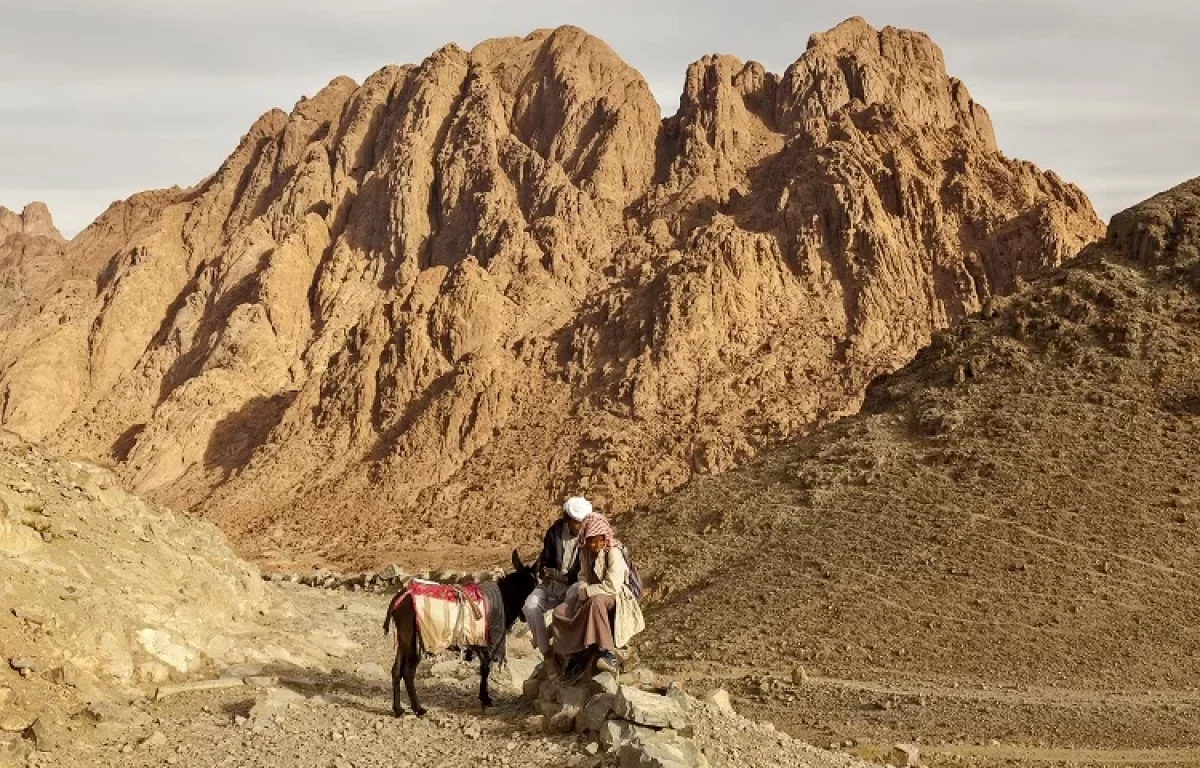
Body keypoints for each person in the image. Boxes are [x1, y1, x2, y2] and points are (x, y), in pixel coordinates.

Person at [550, 512, 645, 674]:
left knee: (596, 602)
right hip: (592, 592)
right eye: (592, 542)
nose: (596, 545)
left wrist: (587, 592)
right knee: (560, 612)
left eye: (599, 540)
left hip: (617, 596)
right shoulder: (585, 553)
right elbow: (583, 576)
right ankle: (573, 650)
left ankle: (607, 652)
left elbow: (612, 586)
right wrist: (582, 588)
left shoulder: (613, 553)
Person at [522, 496, 592, 656]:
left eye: (582, 523)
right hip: (552, 584)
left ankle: (564, 646)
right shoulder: (555, 533)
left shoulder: (590, 538)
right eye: (576, 522)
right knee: (530, 606)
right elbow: (546, 559)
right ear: (568, 519)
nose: (579, 526)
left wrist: (563, 577)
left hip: (574, 586)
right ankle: (545, 651)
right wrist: (545, 572)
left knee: (565, 607)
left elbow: (585, 571)